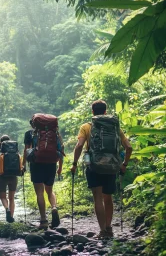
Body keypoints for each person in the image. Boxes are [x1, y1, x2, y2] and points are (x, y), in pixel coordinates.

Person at [70, 100, 133, 238]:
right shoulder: (115, 127)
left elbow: (79, 146)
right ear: (105, 111)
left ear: (92, 112)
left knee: (97, 197)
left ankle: (103, 231)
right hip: (111, 166)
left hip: (94, 166)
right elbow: (129, 147)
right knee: (108, 197)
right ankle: (109, 228)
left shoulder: (86, 127)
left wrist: (74, 164)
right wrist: (124, 165)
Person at [23, 118, 63, 229]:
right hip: (51, 164)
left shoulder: (30, 134)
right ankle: (54, 207)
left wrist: (23, 165)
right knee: (49, 191)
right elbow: (60, 150)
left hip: (36, 164)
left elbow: (26, 150)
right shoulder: (54, 133)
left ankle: (44, 220)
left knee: (39, 193)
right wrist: (60, 167)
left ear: (33, 124)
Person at [0, 135, 17, 223]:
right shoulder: (15, 153)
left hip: (1, 177)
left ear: (0, 143)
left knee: (3, 197)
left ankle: (7, 209)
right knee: (12, 198)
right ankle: (11, 217)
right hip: (13, 177)